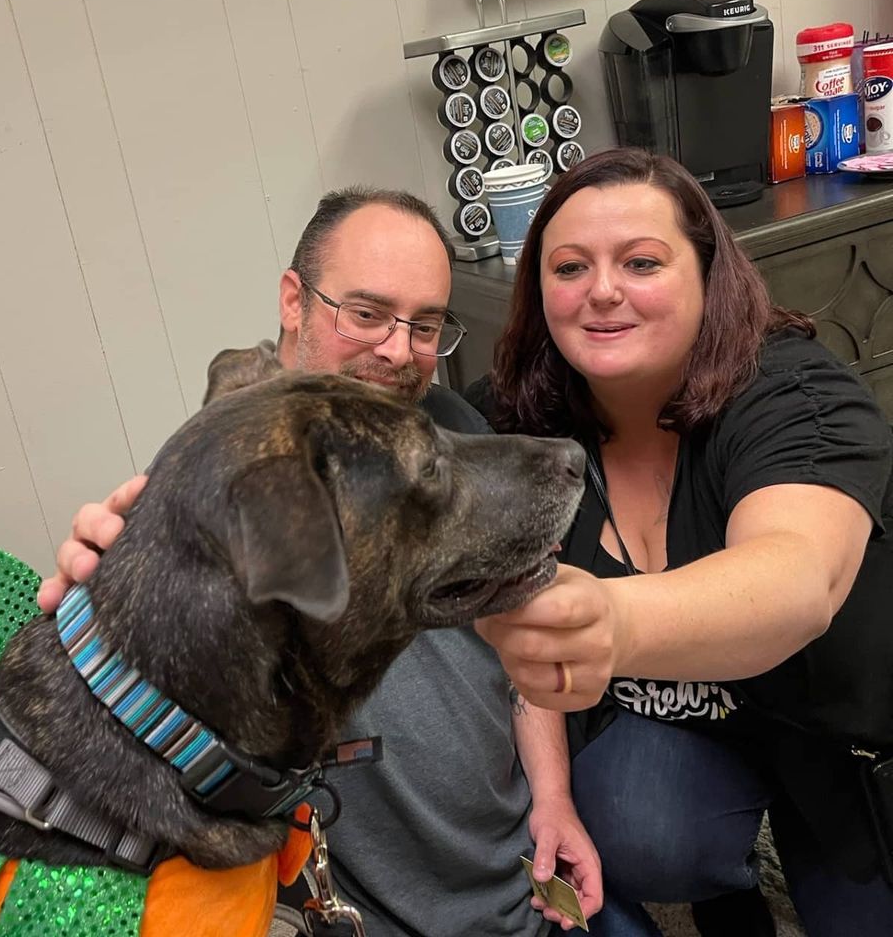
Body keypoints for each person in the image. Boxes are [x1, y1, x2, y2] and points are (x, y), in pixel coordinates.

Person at [40, 186, 604, 936]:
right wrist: (102, 586)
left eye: (426, 324)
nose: (399, 351)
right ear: (292, 301)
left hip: (522, 881)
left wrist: (554, 798)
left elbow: (523, 627)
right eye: (366, 314)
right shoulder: (237, 503)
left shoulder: (450, 424)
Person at [464, 147, 893, 937]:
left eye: (641, 262)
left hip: (836, 727)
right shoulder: (516, 419)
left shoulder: (795, 394)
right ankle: (725, 895)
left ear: (708, 276)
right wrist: (551, 797)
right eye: (568, 268)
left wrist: (603, 619)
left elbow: (795, 582)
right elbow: (524, 634)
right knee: (640, 826)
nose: (601, 291)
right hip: (686, 717)